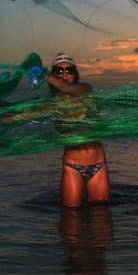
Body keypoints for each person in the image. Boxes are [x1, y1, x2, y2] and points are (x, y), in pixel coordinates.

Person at [45, 53, 110, 208]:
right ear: (54, 74)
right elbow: (22, 114)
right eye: (59, 71)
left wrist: (43, 75)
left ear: (75, 74)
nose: (64, 74)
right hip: (71, 166)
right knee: (70, 218)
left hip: (98, 165)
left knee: (101, 216)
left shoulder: (85, 90)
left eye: (69, 70)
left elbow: (66, 87)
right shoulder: (53, 105)